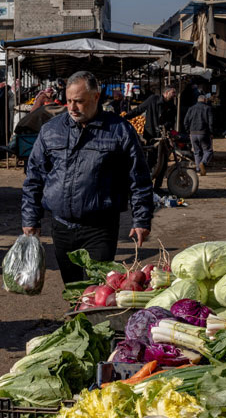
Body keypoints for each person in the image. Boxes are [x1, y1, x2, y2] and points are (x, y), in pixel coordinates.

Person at [21, 71, 154, 284]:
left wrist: (142, 219)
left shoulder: (119, 131)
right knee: (73, 288)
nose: (72, 108)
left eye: (79, 101)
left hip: (100, 229)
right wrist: (30, 217)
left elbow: (139, 179)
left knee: (95, 289)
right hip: (62, 227)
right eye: (69, 101)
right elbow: (34, 177)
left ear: (95, 97)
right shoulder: (51, 130)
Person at [183, 93, 214, 176]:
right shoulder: (208, 108)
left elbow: (185, 121)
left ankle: (198, 170)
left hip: (193, 133)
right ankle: (203, 163)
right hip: (204, 133)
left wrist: (188, 131)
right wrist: (211, 132)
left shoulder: (191, 108)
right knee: (208, 150)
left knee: (197, 152)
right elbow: (211, 122)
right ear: (204, 100)